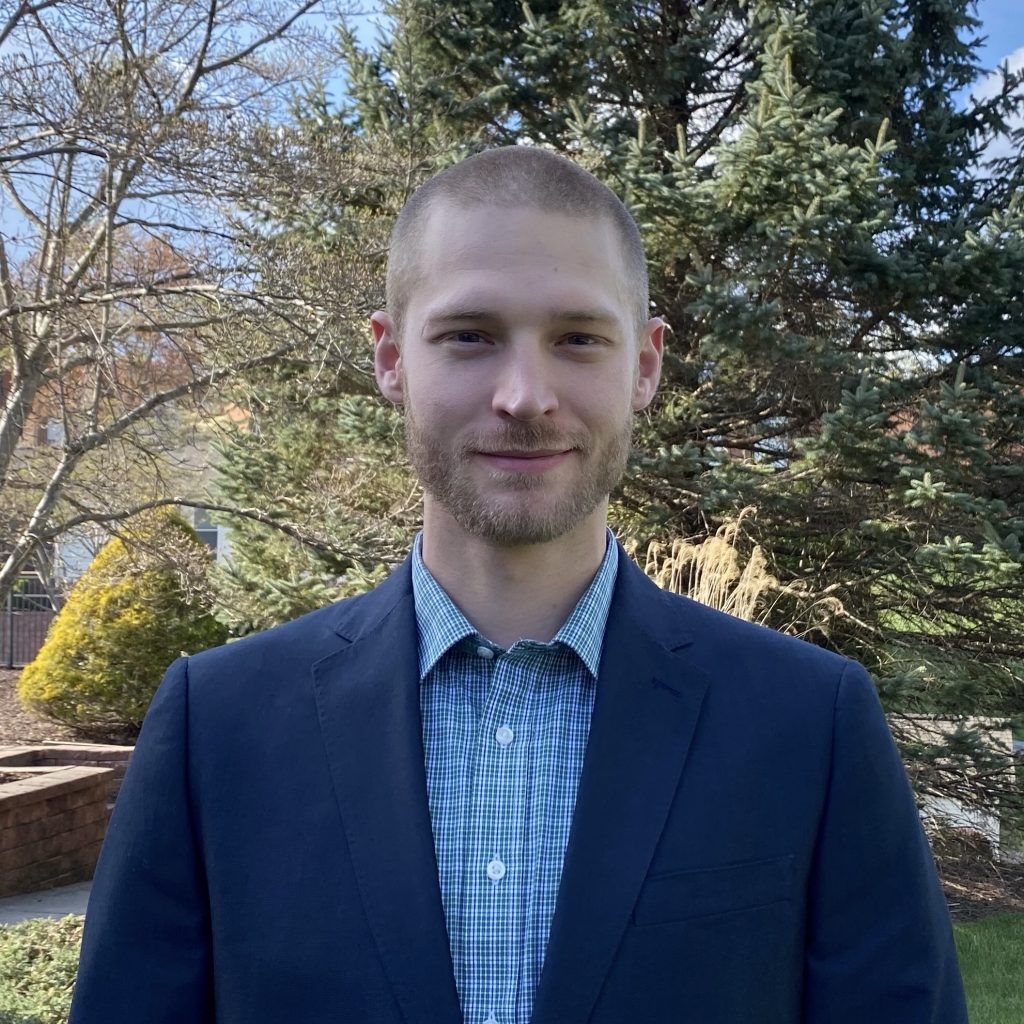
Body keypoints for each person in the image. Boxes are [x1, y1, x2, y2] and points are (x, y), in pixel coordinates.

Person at [69, 147, 967, 1024]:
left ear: (645, 364)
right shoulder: (216, 727)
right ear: (390, 359)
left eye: (578, 338)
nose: (525, 395)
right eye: (470, 336)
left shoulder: (810, 723)